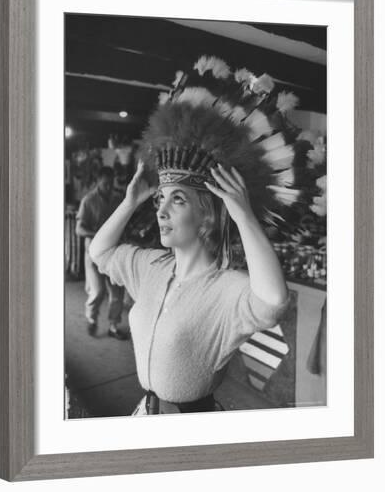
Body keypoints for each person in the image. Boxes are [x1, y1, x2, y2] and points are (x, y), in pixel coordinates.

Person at [88, 55, 299, 414]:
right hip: (144, 414)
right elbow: (100, 252)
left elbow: (273, 302)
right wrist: (130, 201)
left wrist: (243, 215)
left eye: (178, 200)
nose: (161, 210)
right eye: (160, 199)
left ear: (206, 216)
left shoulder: (224, 288)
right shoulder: (152, 267)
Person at [75, 166, 129, 340]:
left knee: (117, 292)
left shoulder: (118, 198)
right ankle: (91, 318)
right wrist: (98, 235)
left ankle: (113, 325)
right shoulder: (88, 201)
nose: (108, 187)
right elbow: (79, 229)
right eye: (105, 183)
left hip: (113, 253)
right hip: (94, 253)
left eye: (111, 183)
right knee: (97, 291)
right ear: (98, 181)